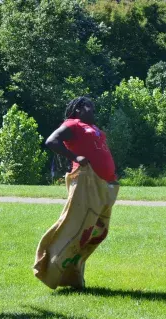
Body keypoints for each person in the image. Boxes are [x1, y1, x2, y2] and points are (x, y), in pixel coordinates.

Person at [33, 96, 119, 289]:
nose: (93, 111)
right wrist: (75, 157)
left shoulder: (95, 128)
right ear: (79, 109)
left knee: (97, 232)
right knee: (76, 228)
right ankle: (48, 268)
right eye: (90, 107)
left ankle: (72, 275)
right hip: (85, 182)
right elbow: (51, 141)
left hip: (103, 184)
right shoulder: (73, 124)